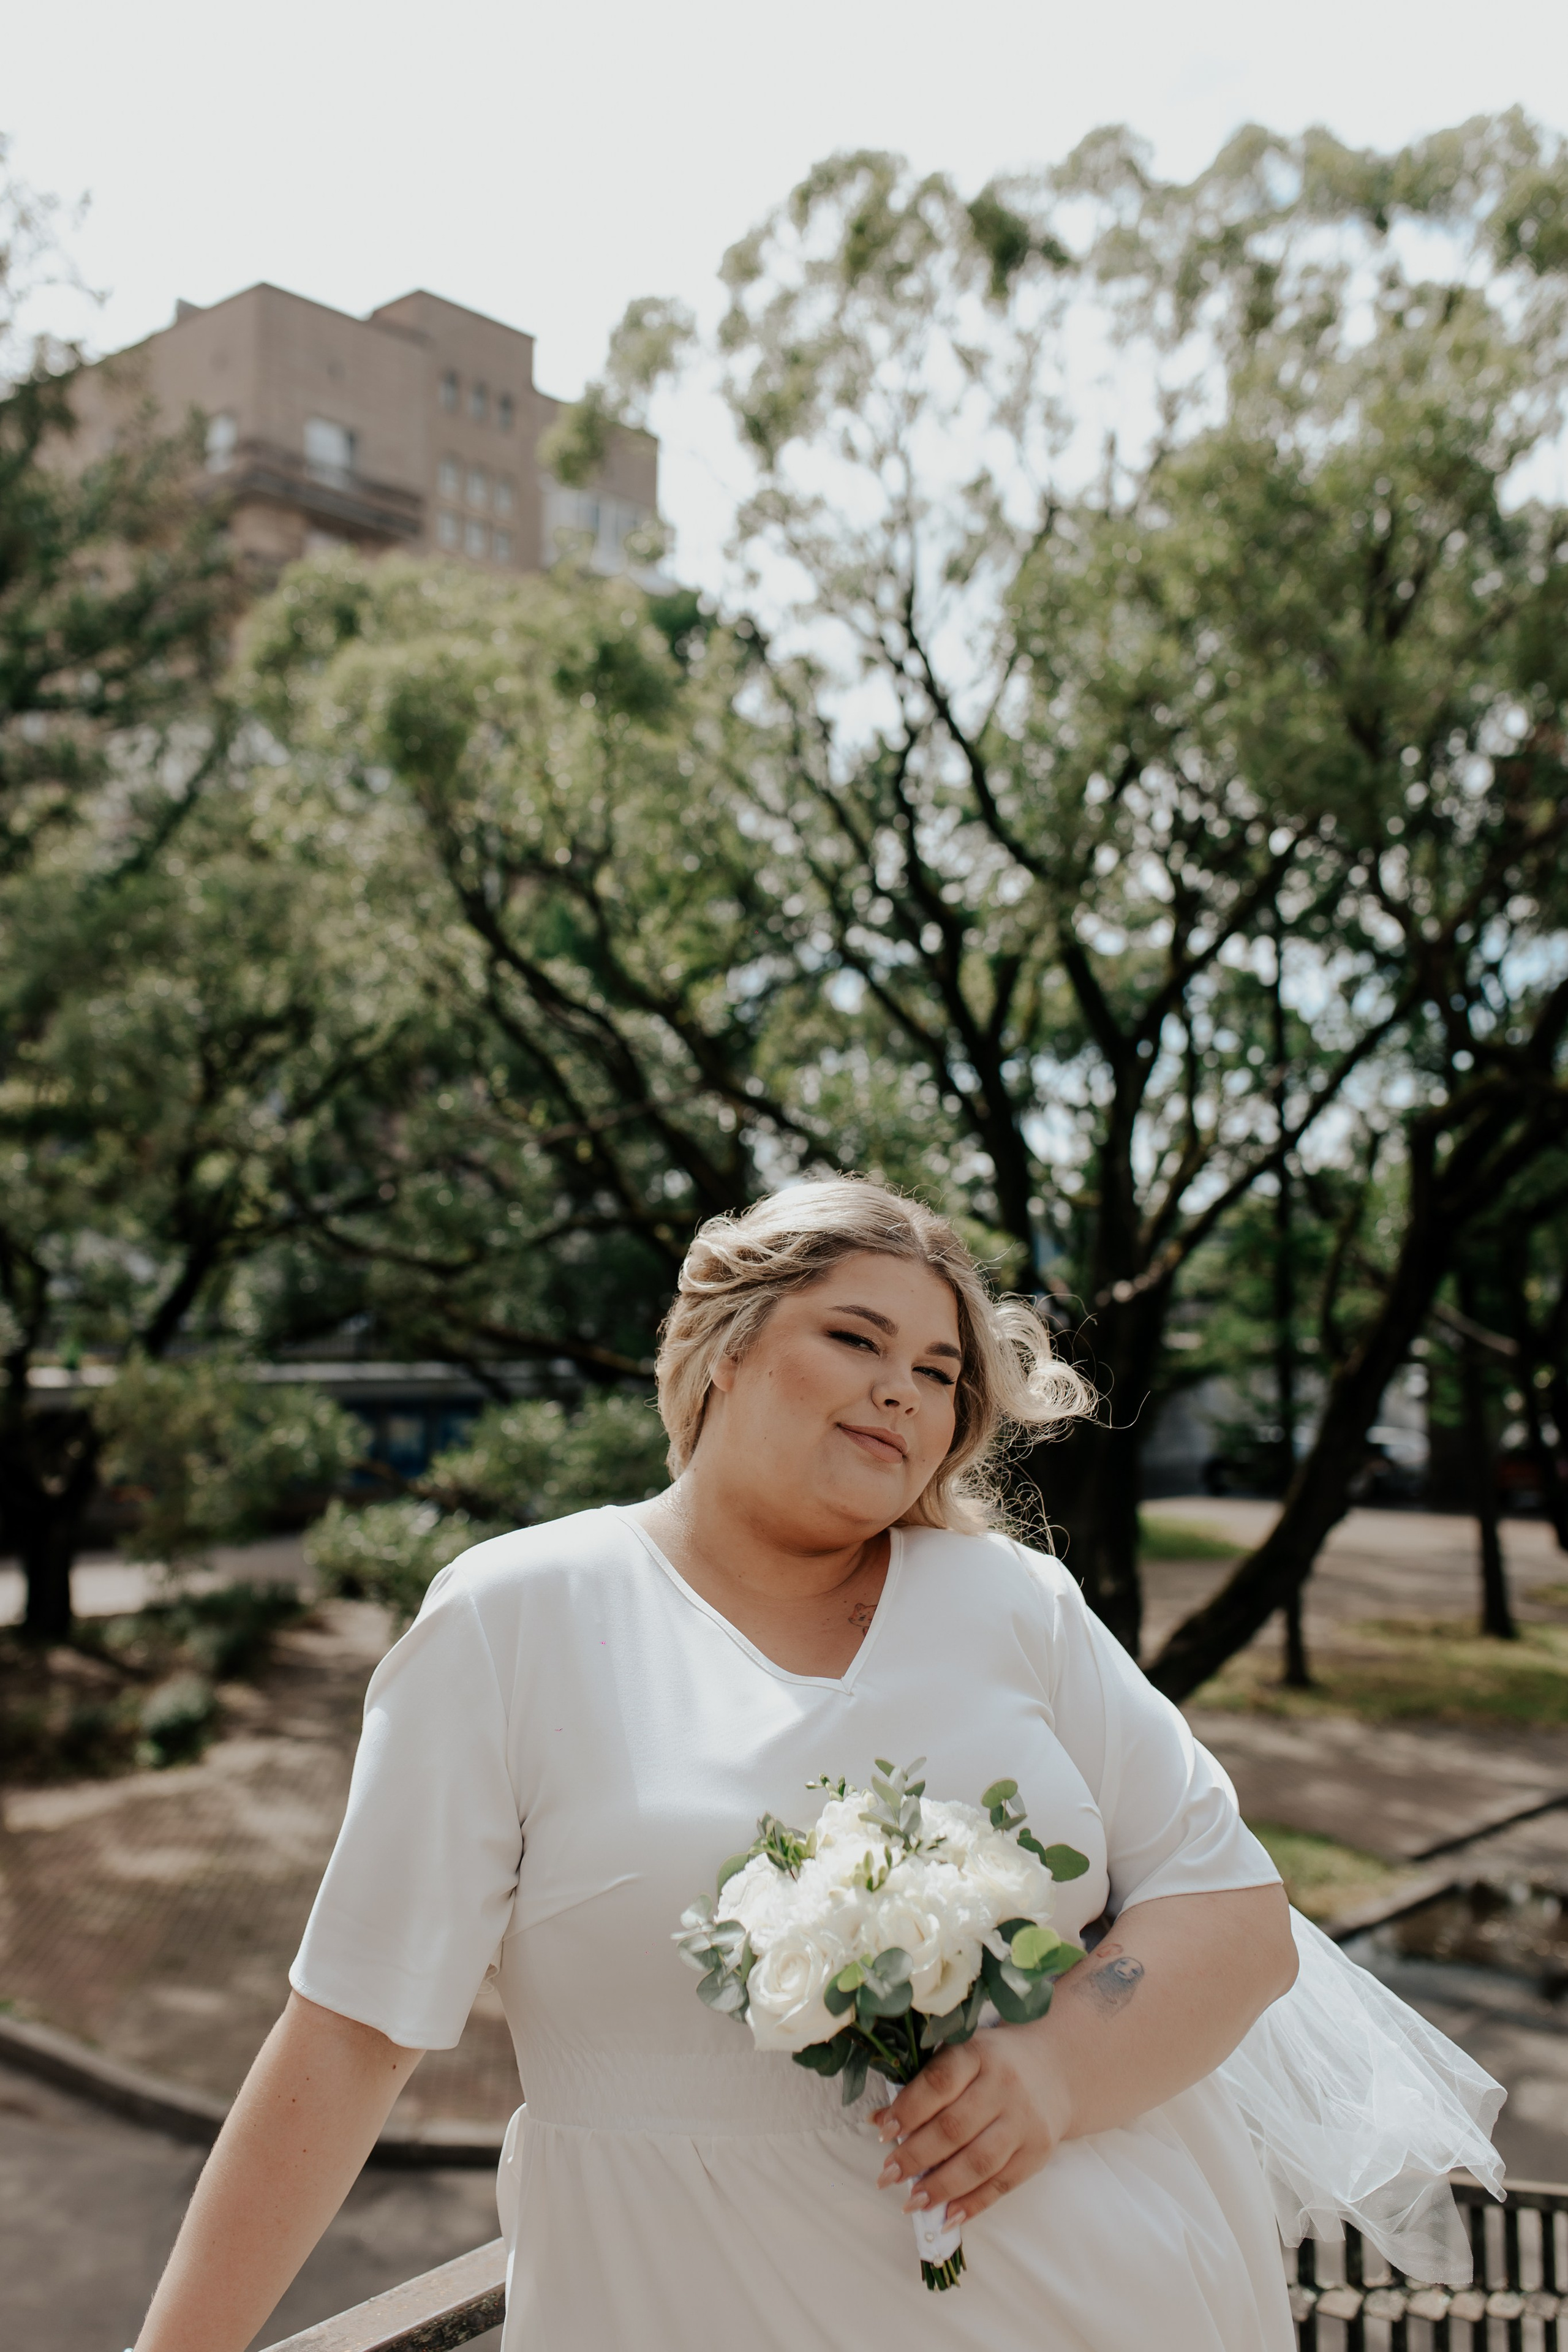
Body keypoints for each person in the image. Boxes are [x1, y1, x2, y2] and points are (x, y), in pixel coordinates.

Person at [131, 1178, 1502, 2352]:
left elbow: (1233, 1914)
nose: (899, 1388)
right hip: (680, 2304)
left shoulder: (1010, 1606)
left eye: (939, 1371)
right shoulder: (516, 1615)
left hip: (1084, 2298)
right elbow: (354, 2027)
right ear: (723, 1346)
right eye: (854, 1338)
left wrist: (1056, 2072)